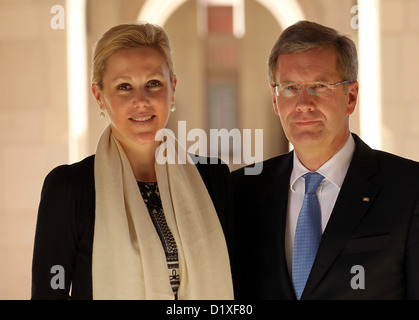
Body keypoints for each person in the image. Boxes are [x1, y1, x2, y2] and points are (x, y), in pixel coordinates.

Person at [32, 23, 234, 300]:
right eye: (124, 86)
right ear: (99, 96)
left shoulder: (214, 178)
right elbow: (48, 294)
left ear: (172, 89)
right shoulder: (69, 188)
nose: (141, 101)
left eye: (153, 83)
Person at [232, 20, 419, 299]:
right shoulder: (242, 193)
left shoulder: (410, 188)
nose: (303, 103)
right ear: (275, 99)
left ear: (351, 96)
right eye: (291, 88)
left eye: (319, 85)